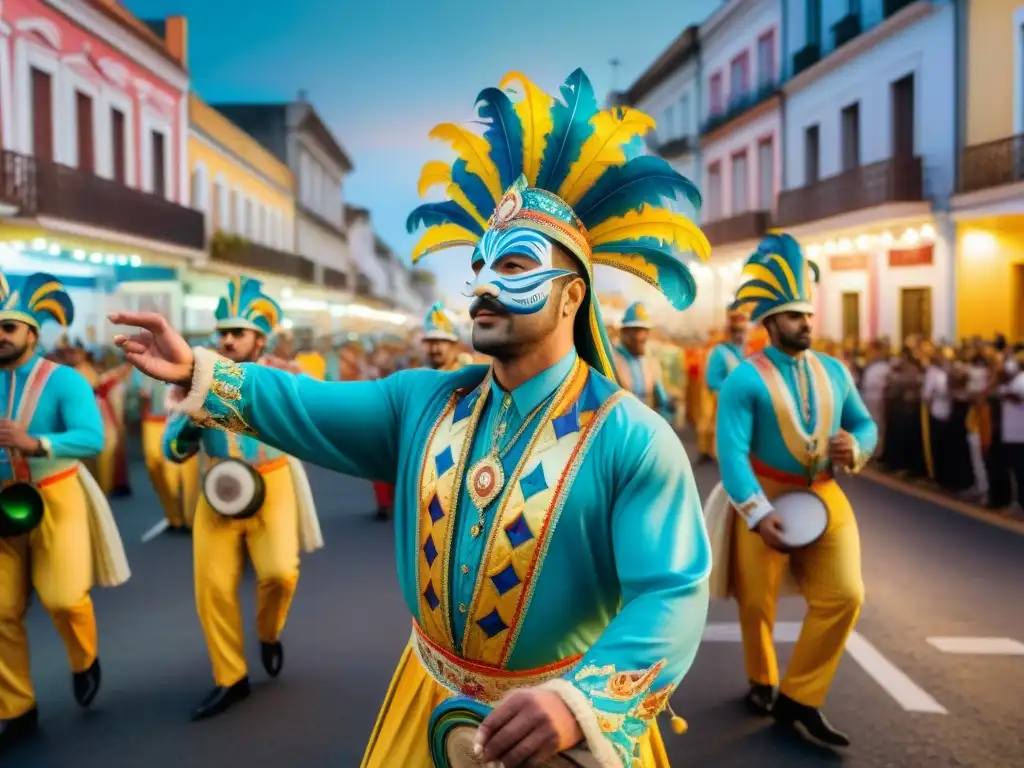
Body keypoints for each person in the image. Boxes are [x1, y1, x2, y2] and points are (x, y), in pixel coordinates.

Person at [112, 67, 712, 768]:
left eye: (514, 264)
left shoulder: (631, 438)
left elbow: (670, 591)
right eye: (480, 265)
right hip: (425, 703)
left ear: (572, 296)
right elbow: (304, 405)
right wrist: (198, 370)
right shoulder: (423, 401)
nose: (484, 283)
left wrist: (578, 703)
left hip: (560, 737)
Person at [704, 234, 877, 748]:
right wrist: (756, 511)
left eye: (808, 314)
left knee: (846, 595)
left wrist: (857, 446)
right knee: (758, 601)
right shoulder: (744, 380)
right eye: (795, 315)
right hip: (763, 492)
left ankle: (799, 698)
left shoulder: (835, 371)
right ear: (771, 322)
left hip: (824, 492)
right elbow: (730, 455)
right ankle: (763, 681)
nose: (806, 323)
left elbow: (865, 424)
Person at [159, 277, 323, 721]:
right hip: (217, 491)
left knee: (280, 574)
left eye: (238, 333)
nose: (228, 340)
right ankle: (229, 677)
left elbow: (317, 423)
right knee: (212, 587)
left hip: (273, 485)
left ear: (259, 339)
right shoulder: (193, 376)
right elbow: (170, 450)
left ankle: (268, 633)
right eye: (223, 332)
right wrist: (192, 421)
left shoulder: (287, 377)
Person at [0, 272, 130, 749]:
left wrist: (35, 442)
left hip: (55, 493)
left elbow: (92, 439)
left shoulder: (65, 381)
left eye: (8, 327)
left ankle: (84, 658)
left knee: (63, 599)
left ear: (32, 332)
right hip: (1, 506)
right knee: (0, 612)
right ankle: (17, 709)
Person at [134, 368, 199, 533]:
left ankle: (189, 518)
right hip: (154, 420)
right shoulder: (144, 367)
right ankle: (173, 516)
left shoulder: (187, 360)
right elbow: (139, 395)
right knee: (154, 465)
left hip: (181, 418)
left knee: (184, 471)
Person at [696, 310, 749, 462]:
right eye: (736, 331)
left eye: (743, 331)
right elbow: (712, 380)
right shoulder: (720, 352)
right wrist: (731, 389)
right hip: (721, 406)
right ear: (729, 332)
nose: (740, 335)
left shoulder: (741, 352)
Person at [613, 302, 674, 421]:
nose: (642, 336)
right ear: (624, 333)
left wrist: (668, 404)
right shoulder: (613, 359)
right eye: (636, 330)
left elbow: (660, 393)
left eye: (644, 330)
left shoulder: (649, 361)